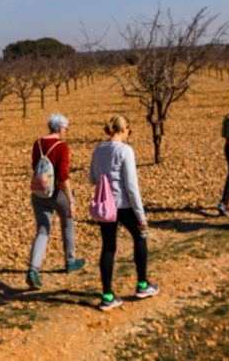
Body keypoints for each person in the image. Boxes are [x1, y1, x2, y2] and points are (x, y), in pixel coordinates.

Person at [90, 115, 158, 311]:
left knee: (108, 247)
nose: (129, 134)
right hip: (125, 205)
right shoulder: (125, 151)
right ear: (123, 129)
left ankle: (107, 295)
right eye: (129, 130)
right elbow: (131, 185)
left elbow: (93, 178)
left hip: (106, 207)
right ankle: (143, 285)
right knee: (139, 237)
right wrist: (141, 216)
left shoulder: (98, 149)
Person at [26, 113, 85, 289]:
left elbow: (34, 166)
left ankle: (33, 270)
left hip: (39, 193)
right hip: (57, 192)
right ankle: (70, 261)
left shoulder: (37, 144)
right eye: (66, 128)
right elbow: (64, 175)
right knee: (68, 223)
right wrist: (71, 200)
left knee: (42, 231)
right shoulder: (62, 147)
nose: (66, 132)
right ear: (60, 128)